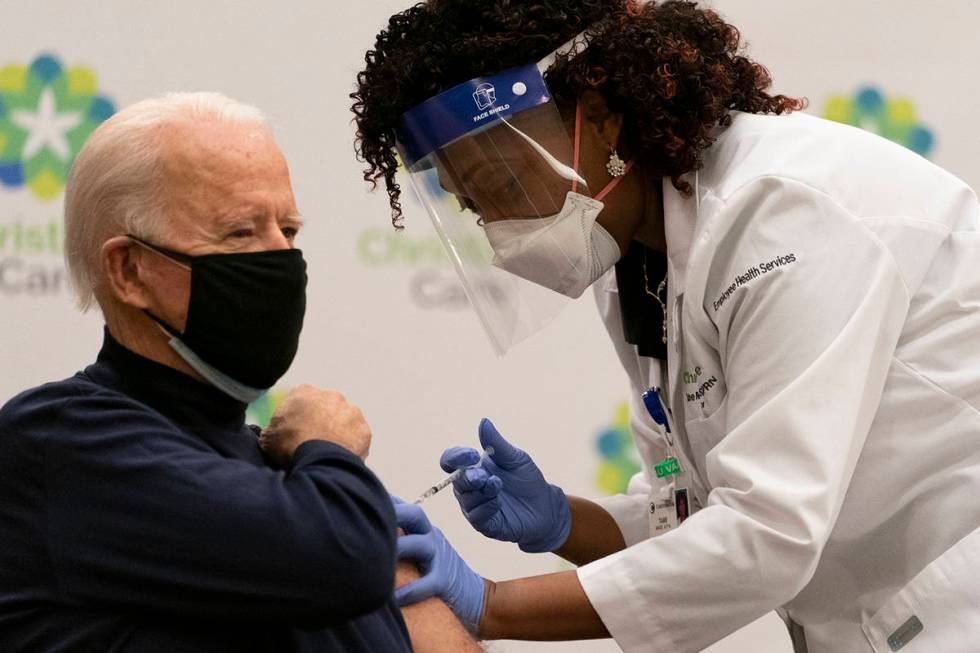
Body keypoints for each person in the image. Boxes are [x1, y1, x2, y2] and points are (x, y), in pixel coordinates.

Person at [351, 1, 980, 652]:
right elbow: (692, 512)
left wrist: (493, 605)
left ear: (599, 117)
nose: (499, 231)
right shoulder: (643, 263)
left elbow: (766, 534)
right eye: (474, 205)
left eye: (502, 182)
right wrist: (565, 521)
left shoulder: (778, 211)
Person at [0, 92, 479, 653]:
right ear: (130, 270)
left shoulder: (287, 480)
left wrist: (396, 567)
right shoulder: (63, 441)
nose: (281, 259)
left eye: (289, 230)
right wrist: (333, 455)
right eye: (240, 233)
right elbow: (338, 563)